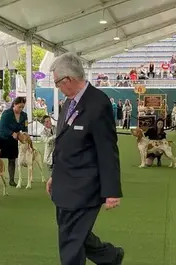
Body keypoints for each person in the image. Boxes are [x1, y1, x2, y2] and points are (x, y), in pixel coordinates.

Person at [46, 53, 124, 265]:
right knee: (75, 233)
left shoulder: (98, 103)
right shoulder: (68, 103)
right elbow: (62, 144)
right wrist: (55, 175)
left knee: (70, 240)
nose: (57, 88)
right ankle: (111, 256)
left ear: (67, 80)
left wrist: (112, 191)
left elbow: (107, 149)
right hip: (64, 183)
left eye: (57, 83)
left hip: (84, 187)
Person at [0, 97, 28, 186]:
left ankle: (11, 180)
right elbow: (2, 127)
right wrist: (12, 133)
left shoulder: (24, 115)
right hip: (1, 137)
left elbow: (25, 127)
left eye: (22, 107)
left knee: (12, 159)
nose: (21, 109)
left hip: (13, 139)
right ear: (14, 104)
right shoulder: (6, 113)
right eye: (19, 107)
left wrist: (23, 134)